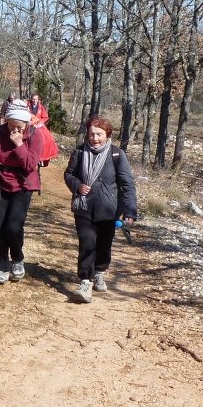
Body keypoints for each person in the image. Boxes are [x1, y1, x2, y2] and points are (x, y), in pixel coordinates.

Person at [63, 116, 138, 303]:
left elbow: (127, 184)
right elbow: (69, 174)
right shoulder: (79, 152)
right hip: (84, 207)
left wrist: (130, 212)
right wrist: (78, 185)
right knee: (87, 243)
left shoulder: (116, 155)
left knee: (104, 245)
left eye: (99, 134)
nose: (95, 138)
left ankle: (99, 271)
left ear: (107, 134)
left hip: (108, 210)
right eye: (92, 134)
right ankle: (85, 281)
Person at [0, 100, 46, 284]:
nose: (14, 130)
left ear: (27, 124)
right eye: (11, 125)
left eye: (19, 126)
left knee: (13, 227)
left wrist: (19, 145)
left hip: (24, 184)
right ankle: (2, 267)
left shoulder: (36, 136)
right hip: (0, 182)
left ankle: (17, 259)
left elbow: (30, 165)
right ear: (6, 121)